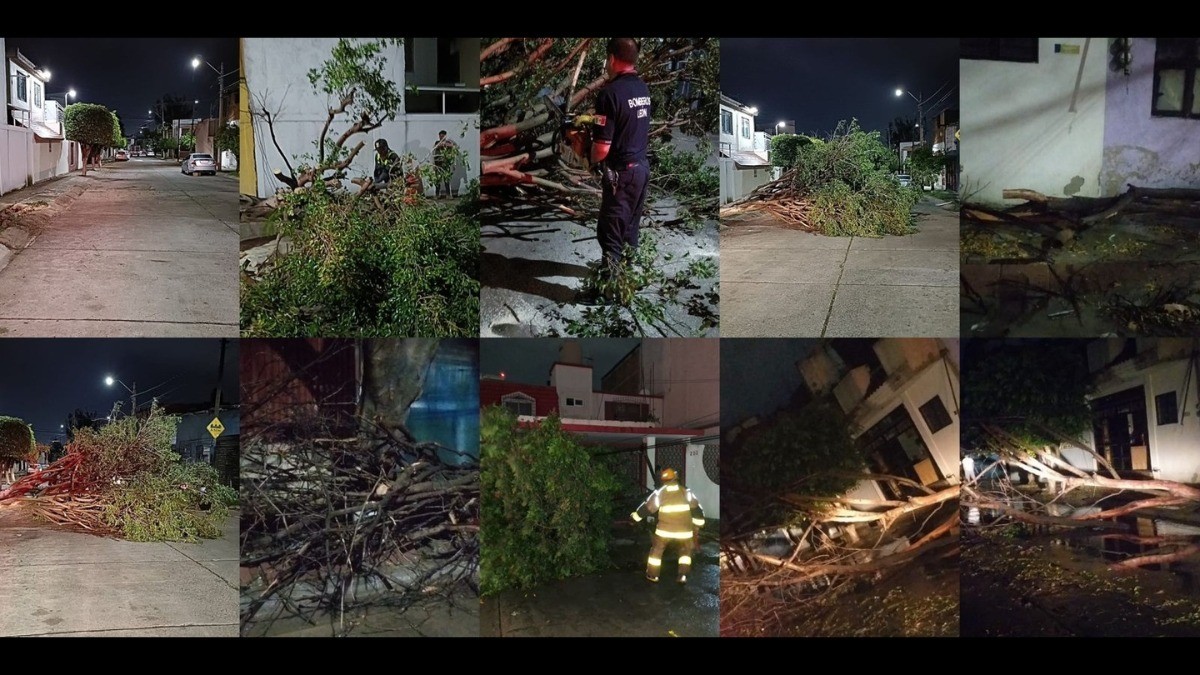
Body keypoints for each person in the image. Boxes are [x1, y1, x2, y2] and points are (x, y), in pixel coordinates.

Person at [581, 37, 651, 301]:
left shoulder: (609, 94)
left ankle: (608, 293)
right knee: (630, 229)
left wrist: (586, 155)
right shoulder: (642, 88)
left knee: (610, 232)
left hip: (622, 174)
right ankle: (628, 280)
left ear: (611, 58)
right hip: (641, 169)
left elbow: (601, 148)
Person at [631, 467, 705, 584]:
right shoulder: (686, 492)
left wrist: (635, 517)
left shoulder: (660, 493)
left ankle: (652, 575)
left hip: (664, 531)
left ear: (663, 480)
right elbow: (696, 509)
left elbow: (647, 508)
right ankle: (682, 575)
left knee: (657, 550)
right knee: (685, 551)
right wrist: (699, 523)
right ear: (676, 478)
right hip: (684, 532)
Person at [433, 130, 458, 199]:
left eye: (442, 136)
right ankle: (437, 194)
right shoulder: (437, 142)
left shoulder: (449, 142)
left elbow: (453, 148)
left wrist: (454, 164)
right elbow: (435, 147)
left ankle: (448, 194)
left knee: (446, 179)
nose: (441, 137)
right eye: (440, 136)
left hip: (446, 164)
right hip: (437, 164)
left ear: (445, 136)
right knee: (437, 180)